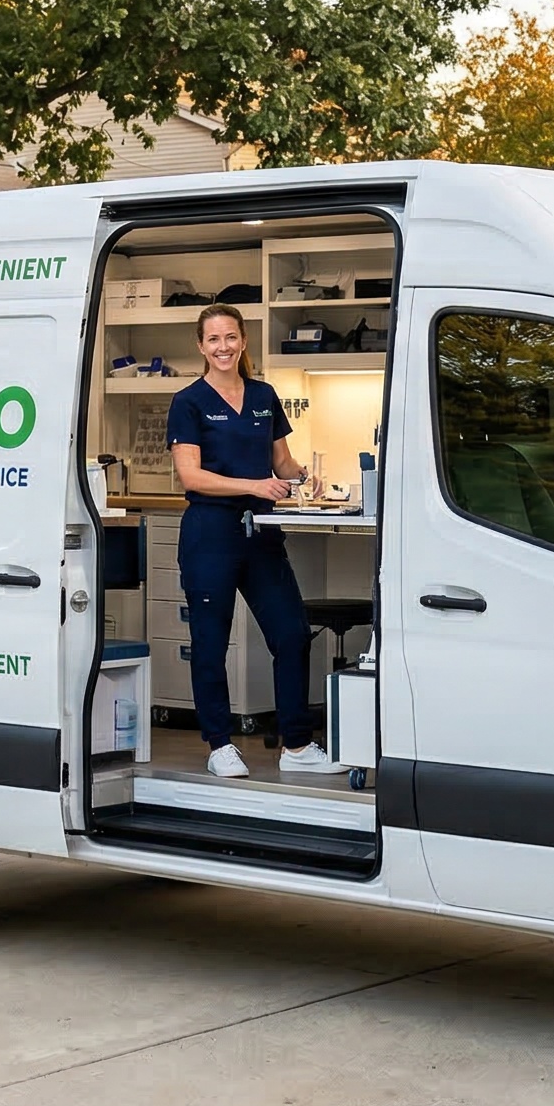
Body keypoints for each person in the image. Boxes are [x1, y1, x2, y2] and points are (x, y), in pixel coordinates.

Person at [167, 304, 336, 779]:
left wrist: (305, 477)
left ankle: (296, 745)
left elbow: (281, 462)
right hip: (211, 532)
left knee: (291, 633)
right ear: (201, 346)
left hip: (260, 532)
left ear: (243, 341)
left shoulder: (264, 395)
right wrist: (254, 486)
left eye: (230, 337)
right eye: (213, 339)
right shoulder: (188, 402)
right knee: (210, 642)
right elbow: (191, 476)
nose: (223, 347)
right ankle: (219, 743)